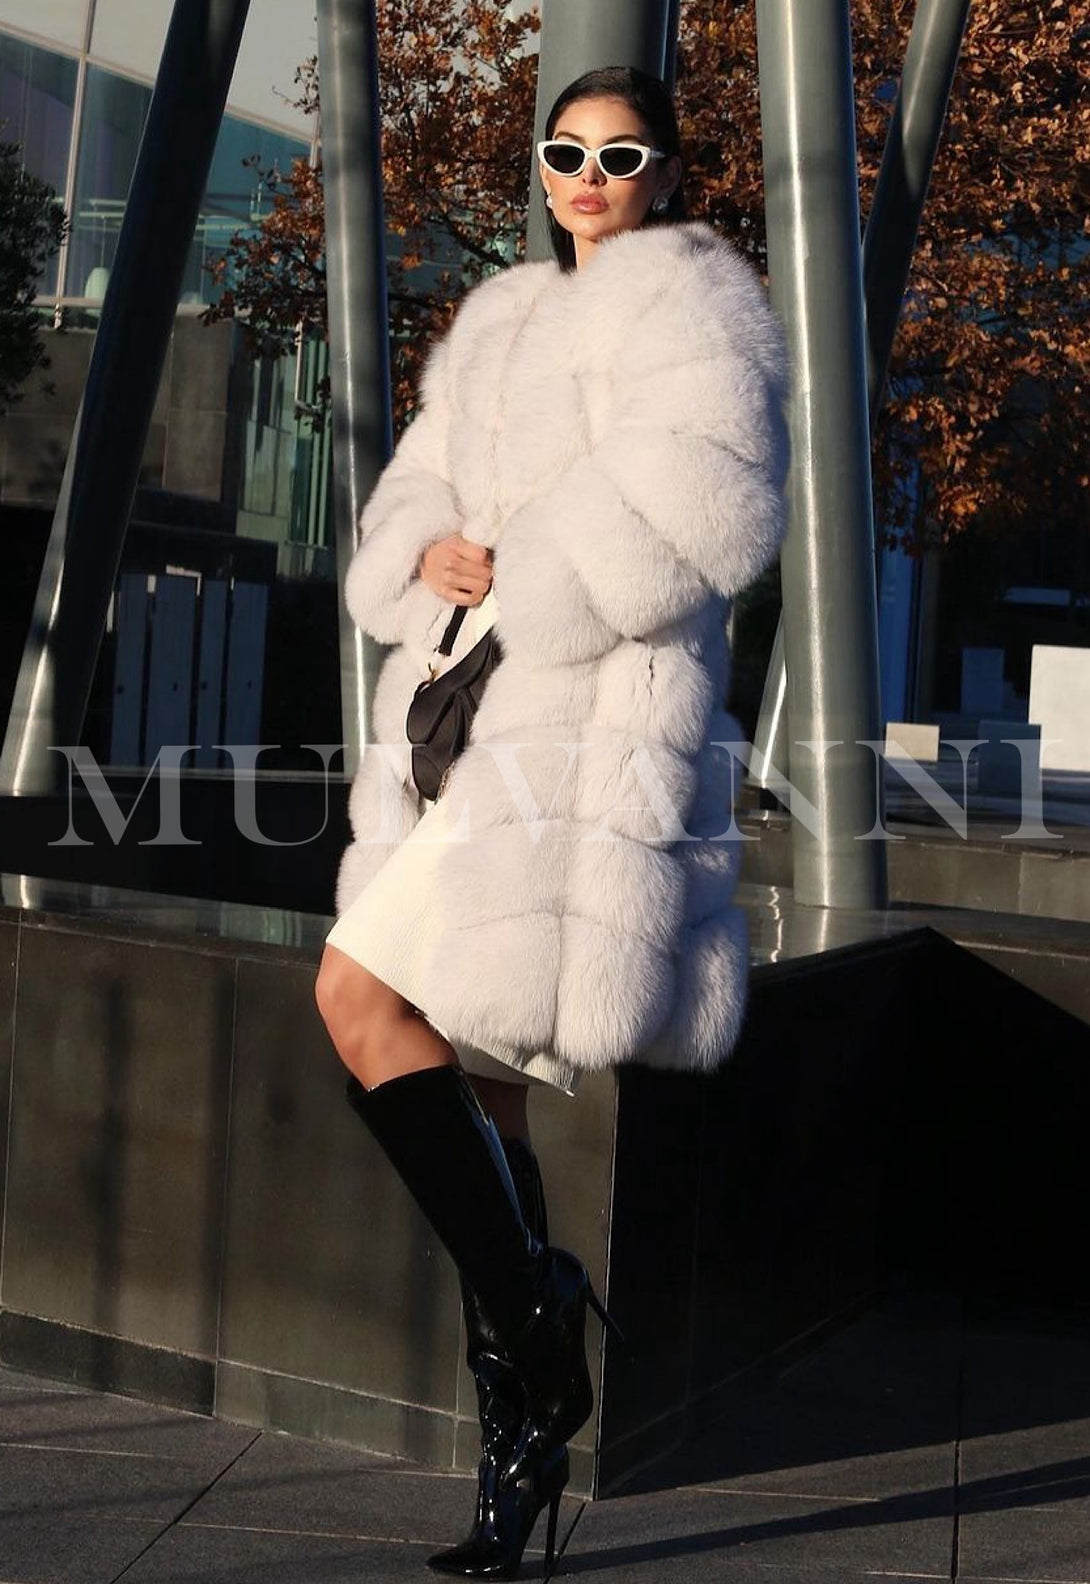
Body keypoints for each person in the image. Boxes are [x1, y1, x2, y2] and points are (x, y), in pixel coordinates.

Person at [315, 64, 789, 1580]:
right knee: (466, 1085)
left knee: (373, 1006)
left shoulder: (697, 307)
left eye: (620, 152)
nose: (588, 173)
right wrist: (428, 550)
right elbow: (417, 491)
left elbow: (707, 510)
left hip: (579, 738)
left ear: (663, 169)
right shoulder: (504, 316)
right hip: (460, 720)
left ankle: (531, 1338)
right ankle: (522, 1412)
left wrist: (524, 564)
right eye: (565, 150)